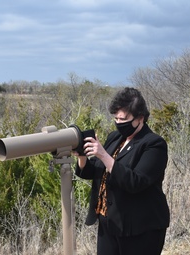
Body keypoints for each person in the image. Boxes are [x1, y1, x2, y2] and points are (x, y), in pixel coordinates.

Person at [73, 87, 170, 255]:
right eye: (116, 118)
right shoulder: (115, 137)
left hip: (141, 228)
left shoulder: (153, 144)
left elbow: (135, 182)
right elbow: (94, 171)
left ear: (140, 118)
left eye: (123, 119)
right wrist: (82, 155)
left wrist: (103, 154)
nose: (119, 123)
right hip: (109, 223)